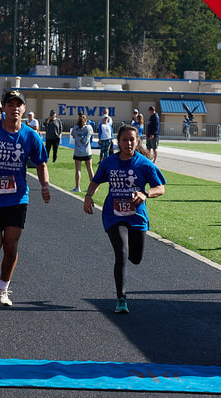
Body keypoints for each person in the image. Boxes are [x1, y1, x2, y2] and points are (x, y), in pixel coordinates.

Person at [0, 89, 50, 307]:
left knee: (11, 245)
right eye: (10, 105)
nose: (14, 108)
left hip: (17, 197)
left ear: (24, 109)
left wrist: (44, 186)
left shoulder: (30, 135)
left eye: (18, 105)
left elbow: (41, 163)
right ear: (3, 108)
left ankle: (2, 289)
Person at [83, 124, 166, 314]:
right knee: (121, 252)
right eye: (124, 140)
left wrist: (145, 193)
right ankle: (121, 298)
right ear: (118, 142)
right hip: (113, 215)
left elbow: (160, 188)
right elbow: (96, 181)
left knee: (135, 258)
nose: (128, 143)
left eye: (132, 140)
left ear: (137, 142)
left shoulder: (144, 164)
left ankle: (127, 256)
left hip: (137, 216)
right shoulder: (109, 162)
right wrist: (88, 196)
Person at [70, 113, 94, 192]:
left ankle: (77, 187)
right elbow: (91, 134)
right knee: (90, 169)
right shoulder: (89, 127)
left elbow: (73, 136)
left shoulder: (75, 128)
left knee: (78, 169)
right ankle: (93, 187)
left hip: (78, 152)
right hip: (87, 151)